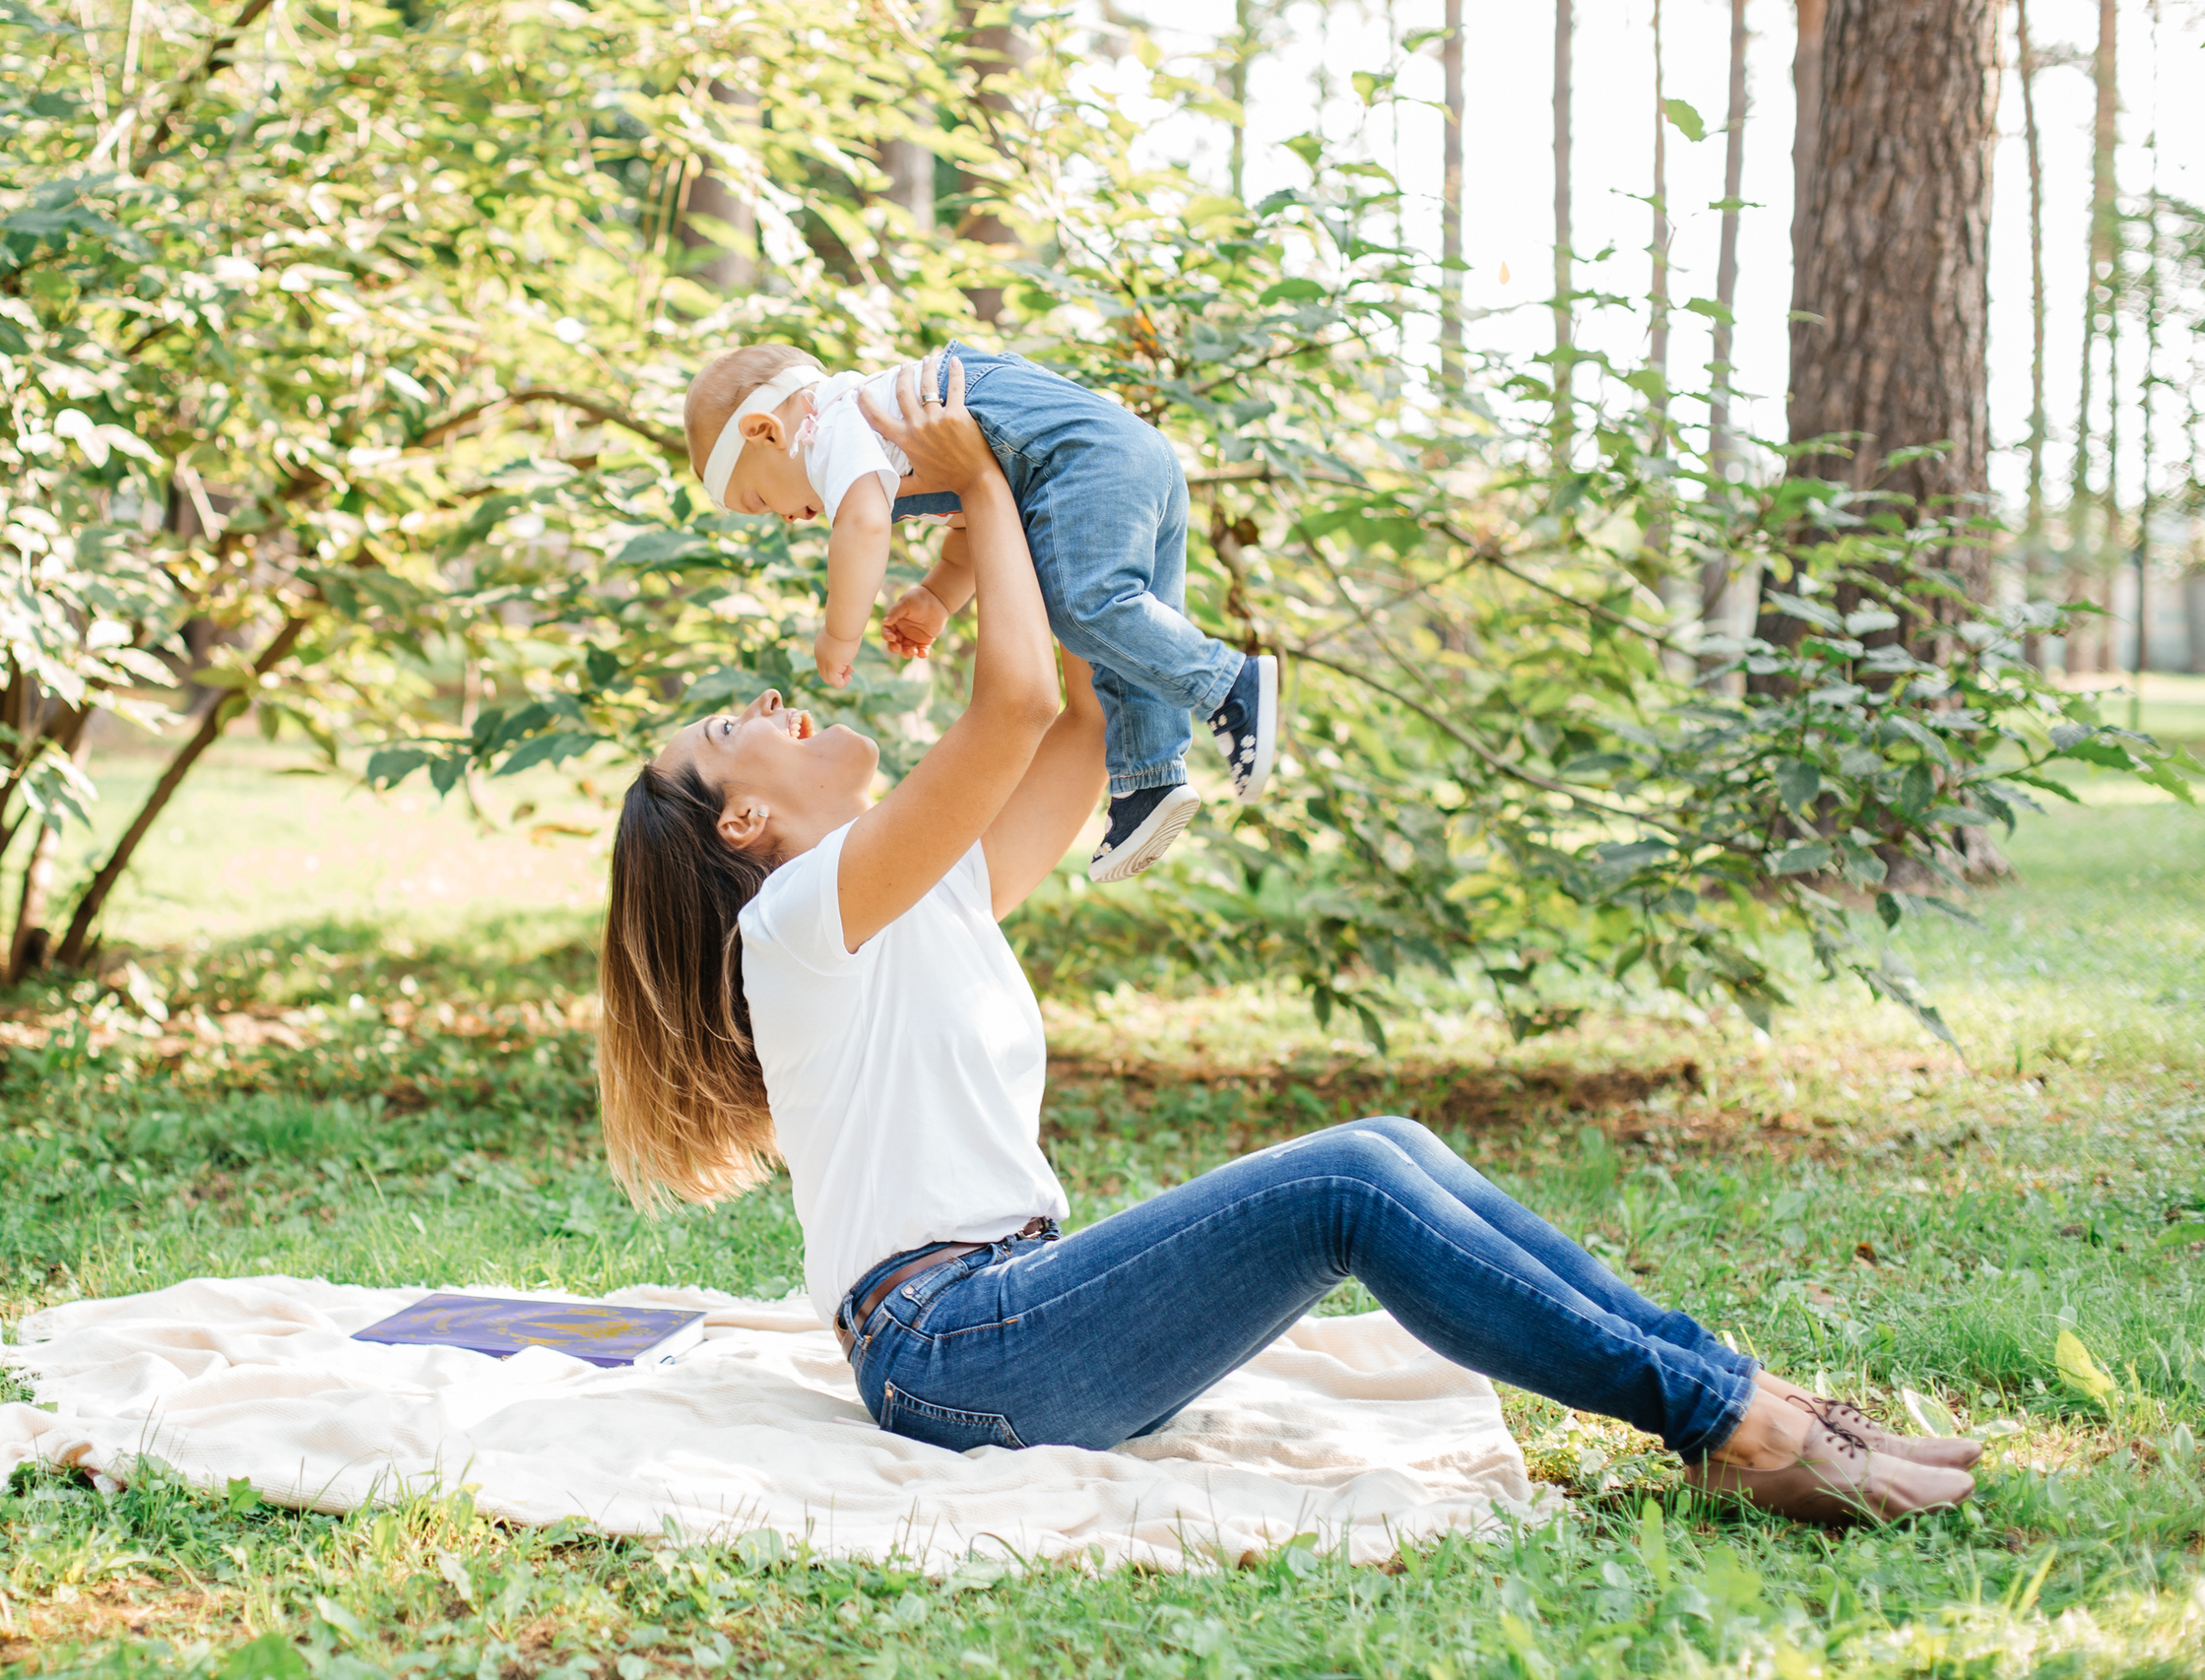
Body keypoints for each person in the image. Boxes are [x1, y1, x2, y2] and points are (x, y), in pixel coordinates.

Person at [604, 354, 1980, 1525]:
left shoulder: (907, 895)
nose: (774, 700)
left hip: (1008, 1315)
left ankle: (1745, 1398)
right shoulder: (798, 917)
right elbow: (1012, 705)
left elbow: (1081, 718)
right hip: (959, 1347)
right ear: (739, 827)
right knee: (1345, 1184)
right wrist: (966, 480)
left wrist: (1046, 482)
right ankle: (1739, 1426)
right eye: (734, 728)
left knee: (1389, 1147)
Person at [681, 339, 1273, 884]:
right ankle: (1148, 776)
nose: (784, 518)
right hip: (1124, 457)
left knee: (1082, 607)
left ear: (764, 431)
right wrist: (939, 595)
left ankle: (1227, 682)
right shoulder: (878, 431)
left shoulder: (832, 425)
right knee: (1121, 638)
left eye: (758, 499)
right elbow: (971, 514)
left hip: (1081, 461)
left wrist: (840, 634)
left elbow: (861, 527)